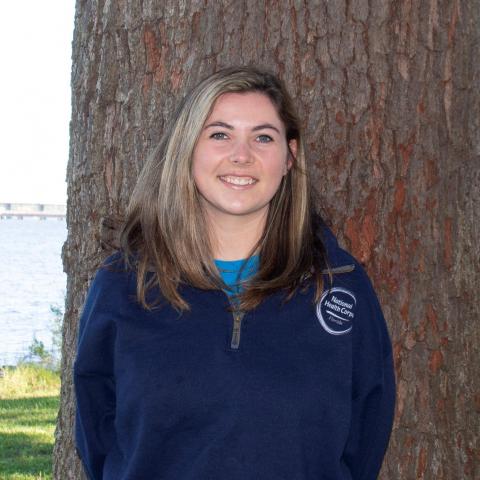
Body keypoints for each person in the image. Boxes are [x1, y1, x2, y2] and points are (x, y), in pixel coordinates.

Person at [73, 66, 395, 480]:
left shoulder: (339, 285)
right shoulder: (124, 284)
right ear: (188, 148)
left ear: (289, 157)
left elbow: (366, 434)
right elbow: (98, 432)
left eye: (263, 137)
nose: (241, 155)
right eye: (220, 134)